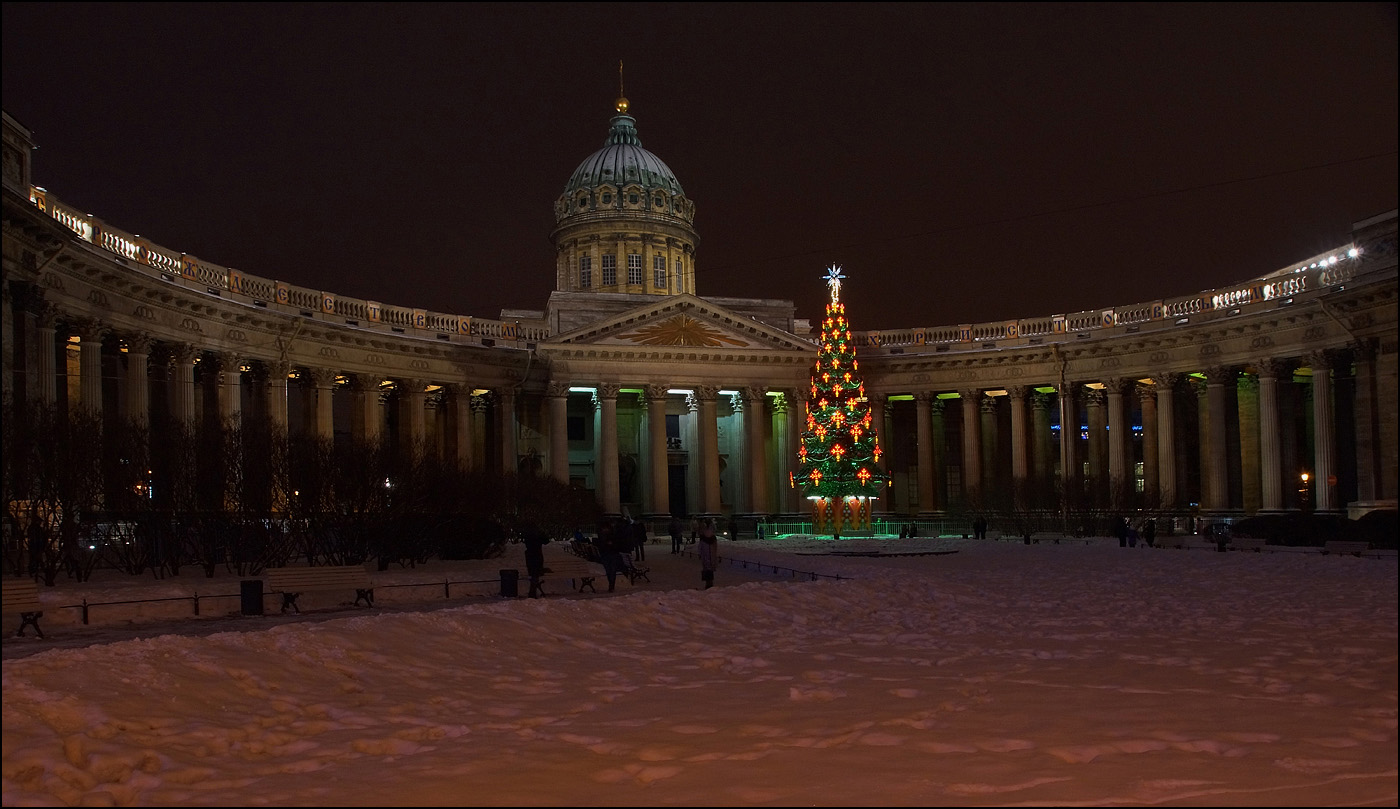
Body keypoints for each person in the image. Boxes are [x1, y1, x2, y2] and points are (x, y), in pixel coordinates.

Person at [520, 520, 550, 599]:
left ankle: (532, 592)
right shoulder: (538, 534)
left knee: (533, 574)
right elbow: (546, 541)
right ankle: (532, 593)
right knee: (535, 574)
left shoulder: (527, 535)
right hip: (537, 555)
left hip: (530, 556)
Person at [596, 519, 624, 592]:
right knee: (609, 570)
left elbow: (617, 544)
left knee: (612, 570)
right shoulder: (603, 536)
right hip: (607, 554)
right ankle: (611, 583)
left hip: (611, 554)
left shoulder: (612, 535)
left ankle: (611, 585)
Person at [698, 517, 718, 589]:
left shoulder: (704, 538)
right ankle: (709, 582)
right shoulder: (712, 539)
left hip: (707, 556)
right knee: (709, 568)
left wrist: (700, 553)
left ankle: (708, 582)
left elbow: (700, 547)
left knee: (707, 568)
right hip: (710, 556)